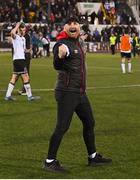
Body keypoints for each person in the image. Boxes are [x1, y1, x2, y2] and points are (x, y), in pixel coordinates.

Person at [43, 17, 112, 173]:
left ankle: (92, 157)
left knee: (89, 122)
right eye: (70, 24)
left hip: (80, 92)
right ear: (65, 28)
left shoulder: (78, 42)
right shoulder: (63, 44)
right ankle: (49, 161)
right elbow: (57, 63)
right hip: (67, 92)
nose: (73, 26)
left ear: (79, 28)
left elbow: (81, 40)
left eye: (76, 24)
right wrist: (59, 57)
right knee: (62, 127)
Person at [4, 22, 40, 101]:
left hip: (20, 59)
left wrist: (29, 50)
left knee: (14, 77)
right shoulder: (15, 37)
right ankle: (30, 96)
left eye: (24, 30)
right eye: (23, 30)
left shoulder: (23, 38)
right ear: (19, 30)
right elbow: (12, 32)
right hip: (19, 60)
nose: (24, 31)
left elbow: (23, 50)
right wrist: (17, 25)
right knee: (26, 76)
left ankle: (7, 95)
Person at [18, 26, 32, 95]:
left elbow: (28, 48)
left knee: (25, 73)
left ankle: (26, 90)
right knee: (22, 73)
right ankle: (24, 88)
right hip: (23, 56)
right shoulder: (23, 36)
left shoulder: (26, 37)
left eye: (23, 29)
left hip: (25, 56)